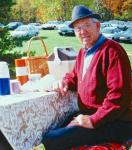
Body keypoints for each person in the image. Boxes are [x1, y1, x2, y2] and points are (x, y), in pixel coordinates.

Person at [34, 5, 132, 150]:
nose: (82, 31)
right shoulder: (83, 52)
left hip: (117, 122)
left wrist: (93, 120)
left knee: (52, 139)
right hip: (94, 115)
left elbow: (119, 96)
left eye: (86, 25)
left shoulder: (112, 51)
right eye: (77, 28)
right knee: (48, 130)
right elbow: (76, 77)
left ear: (97, 26)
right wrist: (65, 81)